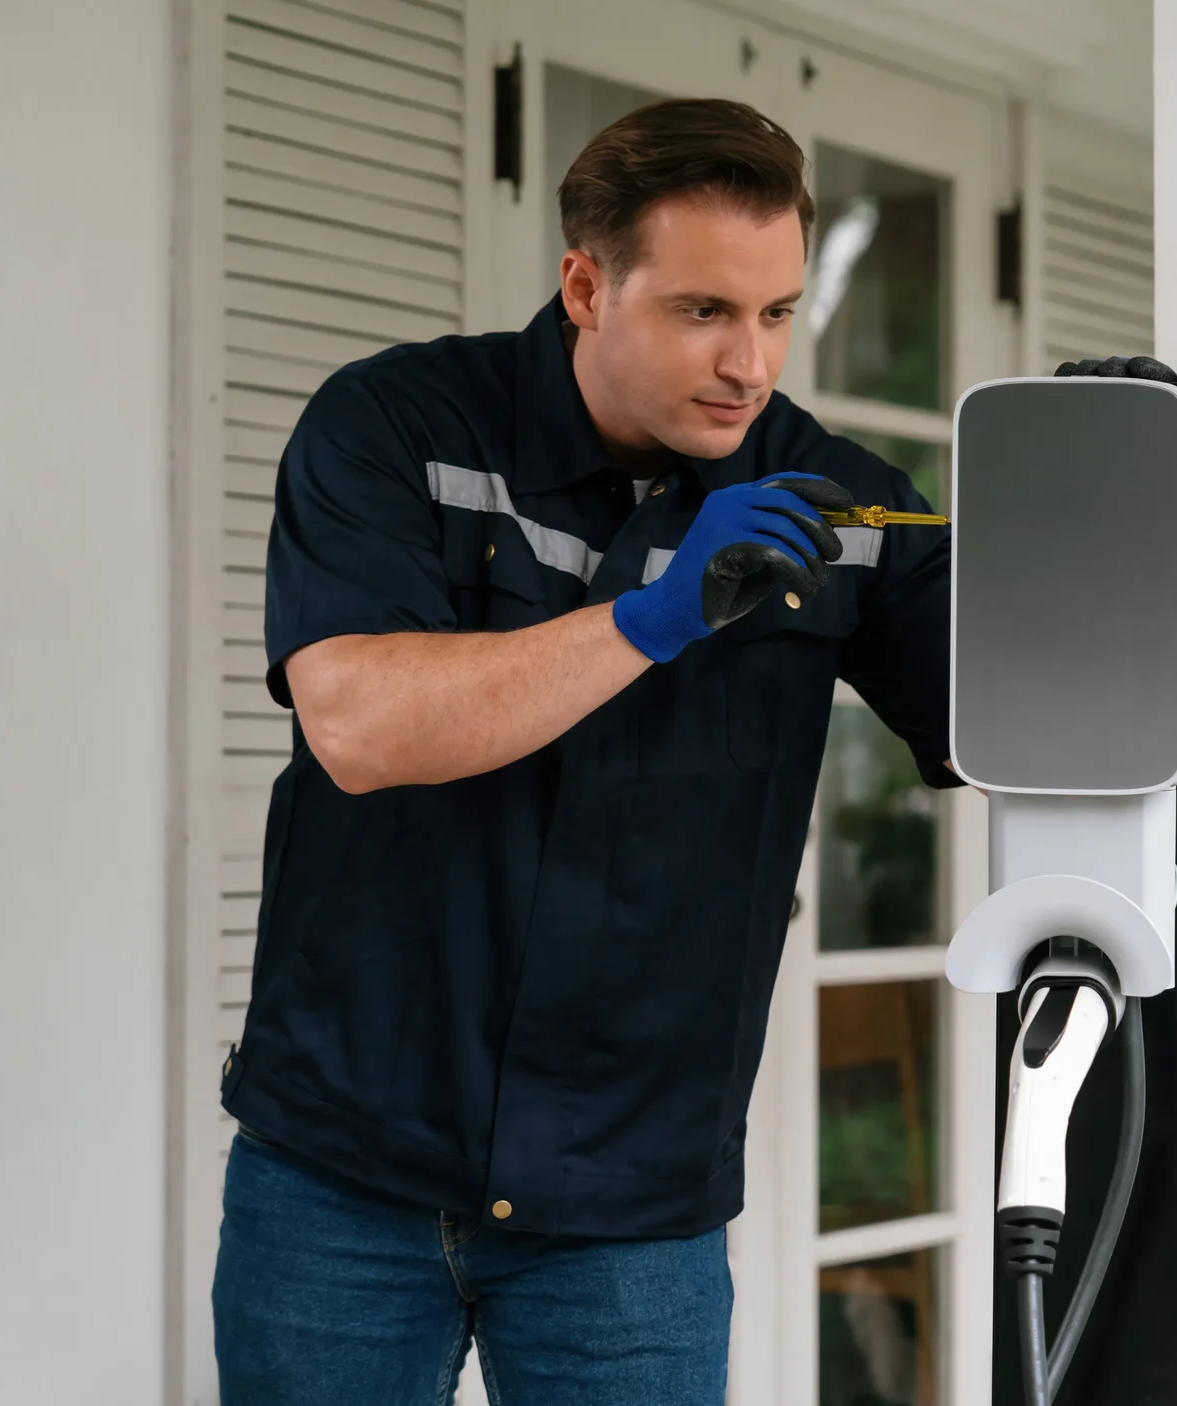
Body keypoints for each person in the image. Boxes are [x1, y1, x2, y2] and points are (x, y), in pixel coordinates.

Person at [210, 98, 954, 1405]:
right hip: (342, 1171)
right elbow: (362, 723)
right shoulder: (397, 429)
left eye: (779, 312)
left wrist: (1105, 493)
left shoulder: (832, 505)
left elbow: (1041, 718)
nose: (751, 362)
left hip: (631, 1204)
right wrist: (656, 617)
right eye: (705, 311)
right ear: (586, 284)